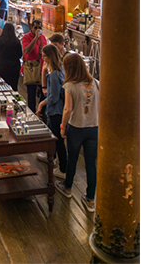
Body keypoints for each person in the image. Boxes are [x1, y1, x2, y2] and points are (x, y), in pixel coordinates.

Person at [56, 53, 98, 213]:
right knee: (90, 164)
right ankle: (91, 199)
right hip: (94, 127)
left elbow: (67, 109)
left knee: (71, 159)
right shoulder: (96, 83)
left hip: (76, 127)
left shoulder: (70, 86)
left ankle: (67, 188)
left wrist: (62, 126)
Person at [36, 45, 66, 179]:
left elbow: (53, 96)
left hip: (56, 110)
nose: (43, 58)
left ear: (50, 56)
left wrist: (42, 104)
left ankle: (63, 168)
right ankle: (51, 156)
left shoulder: (54, 74)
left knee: (58, 140)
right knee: (52, 135)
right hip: (59, 109)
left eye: (45, 56)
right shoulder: (59, 70)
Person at [21, 19, 47, 113]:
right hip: (31, 69)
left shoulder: (43, 38)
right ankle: (31, 113)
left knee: (44, 93)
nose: (37, 29)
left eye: (39, 27)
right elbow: (27, 50)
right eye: (35, 27)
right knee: (31, 94)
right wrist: (36, 38)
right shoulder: (26, 37)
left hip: (42, 69)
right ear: (31, 27)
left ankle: (40, 112)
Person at [0, 22, 23, 91]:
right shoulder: (16, 42)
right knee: (13, 88)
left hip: (0, 67)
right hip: (14, 69)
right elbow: (20, 55)